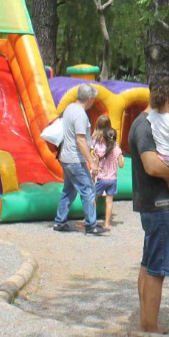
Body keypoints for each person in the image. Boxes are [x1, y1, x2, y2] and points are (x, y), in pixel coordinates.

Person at [129, 74, 169, 334]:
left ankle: (146, 322)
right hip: (159, 205)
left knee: (148, 264)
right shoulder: (145, 126)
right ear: (167, 98)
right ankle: (150, 328)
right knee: (156, 270)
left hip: (156, 204)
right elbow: (152, 166)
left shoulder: (149, 123)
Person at [52, 83, 108, 235]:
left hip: (66, 157)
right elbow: (80, 140)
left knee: (68, 191)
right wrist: (91, 161)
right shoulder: (80, 114)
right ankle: (91, 225)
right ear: (89, 98)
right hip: (75, 159)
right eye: (93, 99)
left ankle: (60, 221)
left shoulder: (69, 108)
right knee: (88, 190)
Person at [91, 114, 124, 230]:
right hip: (112, 180)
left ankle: (90, 220)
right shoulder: (116, 148)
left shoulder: (99, 147)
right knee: (109, 202)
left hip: (101, 178)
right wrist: (121, 157)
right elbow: (121, 164)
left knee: (93, 198)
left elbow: (95, 160)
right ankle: (107, 224)